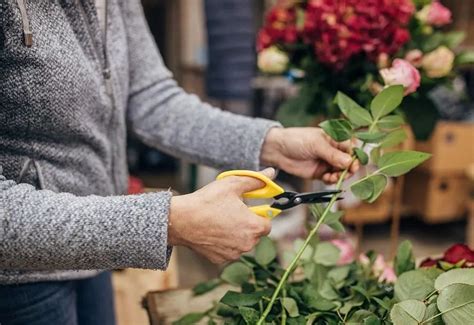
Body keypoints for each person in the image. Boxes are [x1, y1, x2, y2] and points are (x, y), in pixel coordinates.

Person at [0, 1, 358, 324]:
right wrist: (167, 222)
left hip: (92, 253)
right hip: (19, 283)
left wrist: (272, 142)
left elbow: (151, 99)